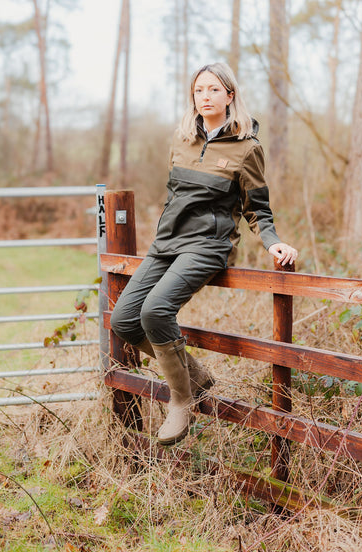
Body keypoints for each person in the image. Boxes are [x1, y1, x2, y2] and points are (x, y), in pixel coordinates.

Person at [110, 62, 298, 446]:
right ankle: (195, 378)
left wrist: (272, 240)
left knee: (155, 311)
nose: (205, 97)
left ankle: (181, 400)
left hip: (208, 246)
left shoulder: (248, 148)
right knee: (124, 320)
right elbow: (175, 196)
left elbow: (257, 208)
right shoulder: (181, 140)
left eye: (214, 90)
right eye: (199, 90)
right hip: (167, 244)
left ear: (230, 96)